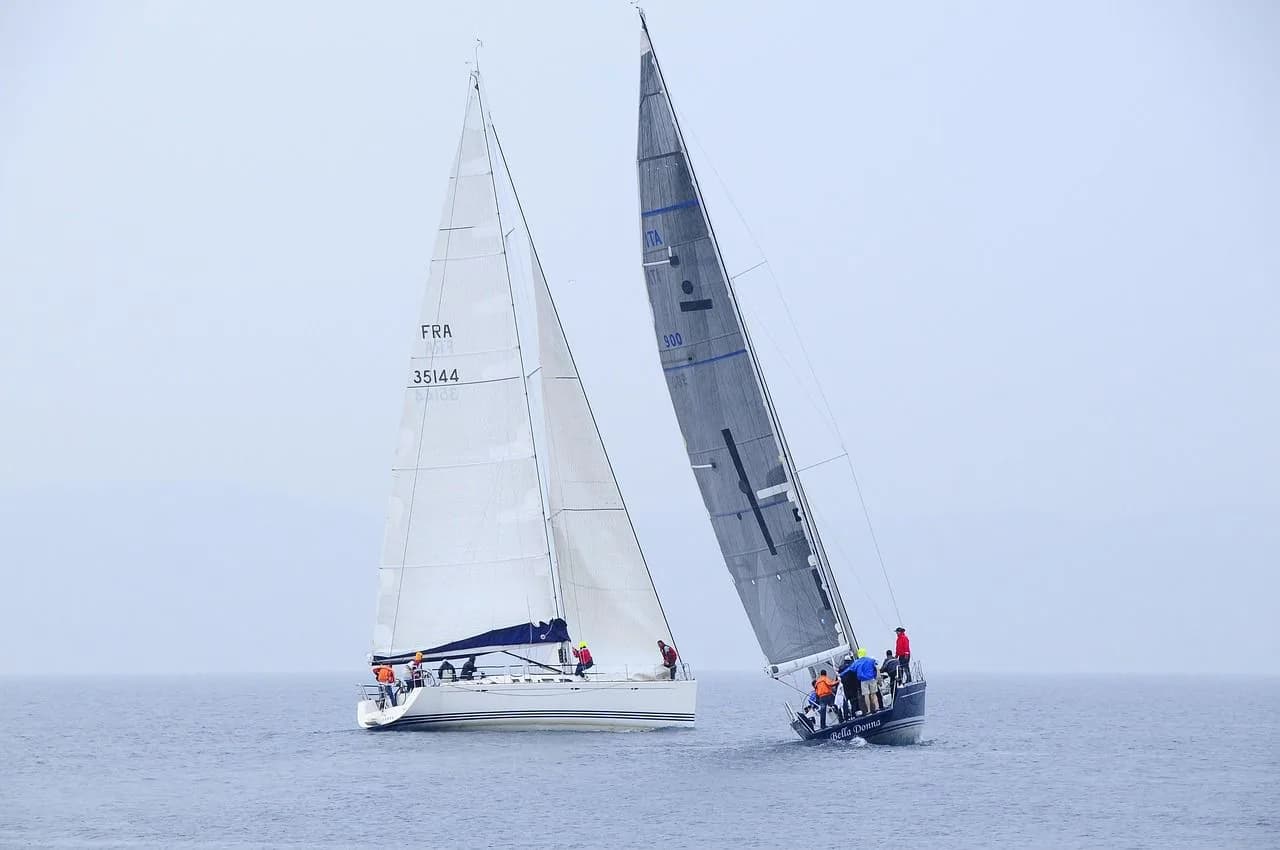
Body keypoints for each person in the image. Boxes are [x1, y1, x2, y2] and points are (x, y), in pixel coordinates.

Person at [852, 648, 880, 714]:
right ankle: (877, 707)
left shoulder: (857, 662)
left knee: (866, 695)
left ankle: (869, 710)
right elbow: (876, 666)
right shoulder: (870, 660)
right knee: (874, 694)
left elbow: (853, 670)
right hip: (871, 678)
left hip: (863, 680)